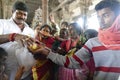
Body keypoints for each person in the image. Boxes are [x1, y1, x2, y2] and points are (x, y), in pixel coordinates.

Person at [27, 0, 120, 80]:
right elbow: (72, 62)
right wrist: (48, 53)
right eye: (98, 17)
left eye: (106, 15)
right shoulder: (93, 43)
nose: (101, 21)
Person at [0, 1, 35, 80]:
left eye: (24, 14)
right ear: (12, 12)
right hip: (5, 73)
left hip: (26, 74)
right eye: (19, 13)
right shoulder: (2, 23)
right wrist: (12, 36)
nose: (22, 16)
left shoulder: (30, 31)